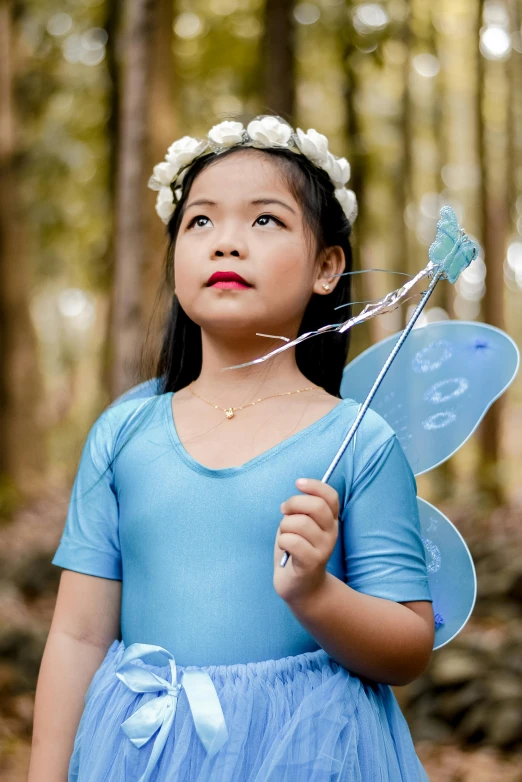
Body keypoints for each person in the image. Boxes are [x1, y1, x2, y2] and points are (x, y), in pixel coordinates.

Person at [28, 115, 434, 781]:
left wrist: (315, 595)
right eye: (201, 222)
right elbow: (77, 635)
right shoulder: (124, 435)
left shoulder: (357, 441)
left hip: (308, 752)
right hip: (145, 750)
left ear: (327, 266)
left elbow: (409, 647)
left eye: (265, 221)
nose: (226, 244)